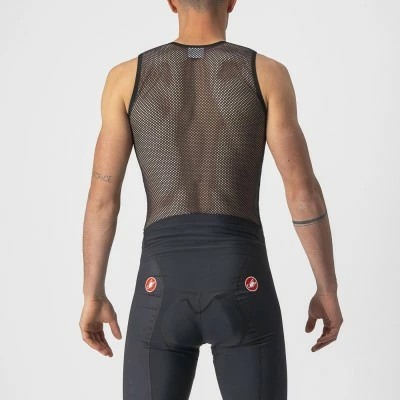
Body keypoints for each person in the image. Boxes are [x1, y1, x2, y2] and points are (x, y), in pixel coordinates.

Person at [79, 0, 343, 398]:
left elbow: (102, 200)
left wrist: (93, 294)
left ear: (171, 2)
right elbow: (302, 193)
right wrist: (327, 289)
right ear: (232, 1)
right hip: (242, 276)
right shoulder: (266, 74)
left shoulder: (125, 79)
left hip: (160, 283)